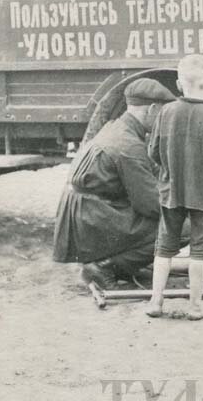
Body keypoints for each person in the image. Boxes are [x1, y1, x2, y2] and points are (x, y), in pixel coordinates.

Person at [52, 78, 175, 288]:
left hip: (84, 213)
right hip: (90, 220)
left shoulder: (116, 126)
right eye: (163, 114)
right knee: (182, 226)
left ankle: (122, 264)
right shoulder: (128, 145)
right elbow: (150, 206)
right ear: (152, 109)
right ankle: (105, 267)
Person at [146, 55, 203, 320]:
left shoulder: (165, 112)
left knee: (163, 248)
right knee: (199, 251)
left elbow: (152, 153)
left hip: (171, 193)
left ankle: (155, 302)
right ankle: (195, 307)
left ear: (178, 84)